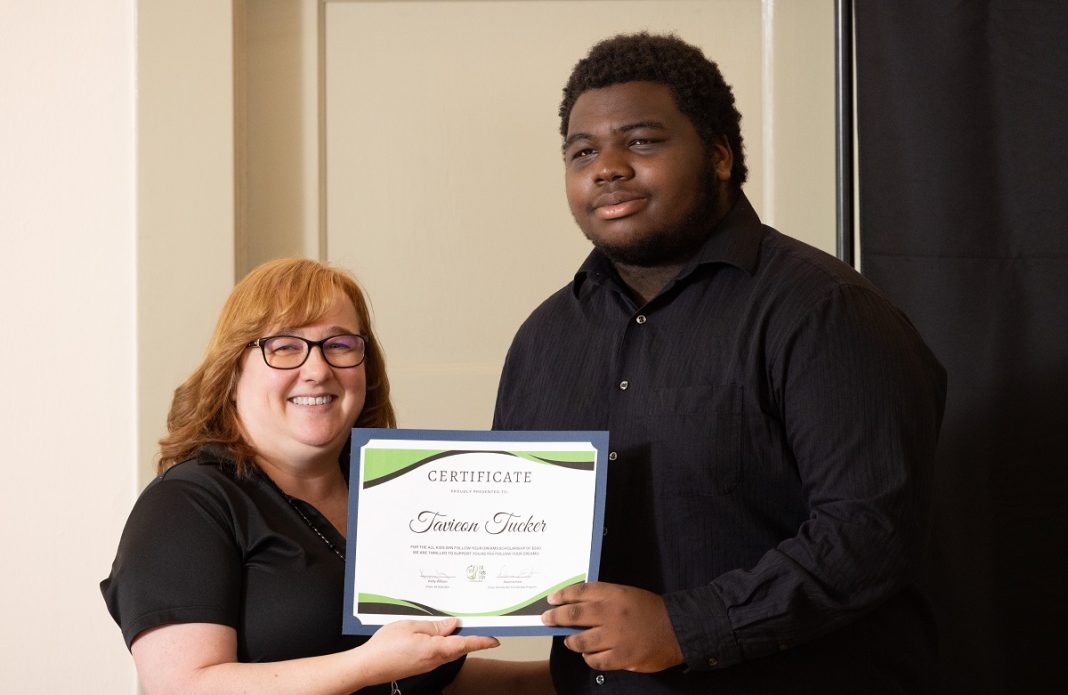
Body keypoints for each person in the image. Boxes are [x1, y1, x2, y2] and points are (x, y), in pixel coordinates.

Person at [493, 33, 947, 693]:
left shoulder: (825, 312)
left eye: (642, 141)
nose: (608, 166)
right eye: (582, 151)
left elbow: (869, 534)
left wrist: (686, 625)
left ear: (719, 156)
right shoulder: (543, 339)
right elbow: (514, 529)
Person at [101, 258, 510, 694]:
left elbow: (426, 680)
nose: (317, 370)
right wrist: (368, 665)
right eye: (284, 347)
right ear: (233, 370)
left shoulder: (395, 497)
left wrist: (576, 673)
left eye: (340, 345)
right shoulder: (189, 504)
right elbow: (186, 686)